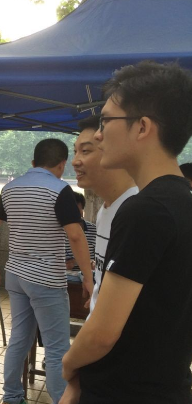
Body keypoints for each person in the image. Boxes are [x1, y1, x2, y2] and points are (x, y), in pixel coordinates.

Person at [59, 61, 192, 404]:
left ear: (142, 127)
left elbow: (102, 333)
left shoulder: (144, 210)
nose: (100, 134)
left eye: (106, 121)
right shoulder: (182, 201)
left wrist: (68, 366)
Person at [0, 138, 93, 404]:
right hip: (46, 279)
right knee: (57, 350)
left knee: (19, 339)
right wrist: (87, 277)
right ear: (62, 164)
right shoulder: (60, 190)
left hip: (15, 275)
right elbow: (75, 235)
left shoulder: (10, 188)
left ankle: (11, 403)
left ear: (33, 163)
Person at [71, 115, 137, 312]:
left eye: (85, 151)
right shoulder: (106, 209)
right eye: (75, 151)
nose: (75, 161)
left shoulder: (136, 213)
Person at [64, 192, 96, 281]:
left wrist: (93, 263)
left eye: (77, 211)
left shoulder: (94, 230)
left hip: (88, 278)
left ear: (82, 211)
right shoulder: (57, 231)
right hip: (66, 280)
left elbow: (100, 259)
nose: (73, 215)